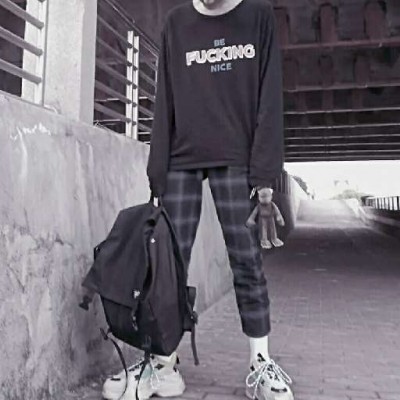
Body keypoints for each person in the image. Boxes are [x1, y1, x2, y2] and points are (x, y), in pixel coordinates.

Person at [102, 0, 294, 399]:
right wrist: (158, 168)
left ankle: (260, 362)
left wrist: (264, 174)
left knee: (246, 260)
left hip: (237, 156)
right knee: (166, 265)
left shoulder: (258, 18)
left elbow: (270, 96)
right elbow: (165, 99)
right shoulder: (177, 23)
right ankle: (163, 364)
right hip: (182, 158)